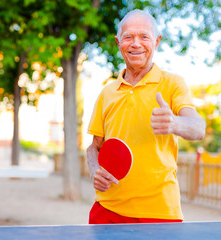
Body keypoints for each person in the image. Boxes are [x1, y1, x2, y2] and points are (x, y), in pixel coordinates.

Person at [86, 9, 206, 224]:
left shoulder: (173, 84)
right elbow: (94, 147)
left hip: (159, 211)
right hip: (107, 209)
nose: (136, 44)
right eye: (128, 37)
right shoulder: (106, 93)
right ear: (118, 42)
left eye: (144, 37)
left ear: (157, 41)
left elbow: (198, 128)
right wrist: (95, 170)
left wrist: (175, 123)